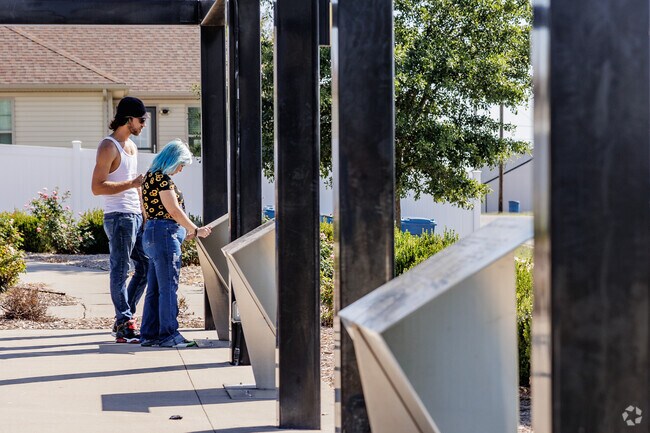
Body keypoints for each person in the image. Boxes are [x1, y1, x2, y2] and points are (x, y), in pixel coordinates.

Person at [140, 139, 212, 348]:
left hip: (153, 233)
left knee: (155, 288)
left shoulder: (148, 178)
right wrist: (194, 229)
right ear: (173, 160)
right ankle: (169, 335)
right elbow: (173, 210)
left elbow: (149, 212)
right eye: (181, 164)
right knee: (169, 287)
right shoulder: (163, 180)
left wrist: (181, 231)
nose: (181, 169)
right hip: (164, 234)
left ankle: (150, 334)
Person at [91, 96, 149, 343]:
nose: (144, 124)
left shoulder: (132, 148)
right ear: (129, 119)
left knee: (145, 267)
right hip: (118, 217)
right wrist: (131, 183)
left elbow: (136, 186)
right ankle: (125, 321)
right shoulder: (108, 146)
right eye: (142, 120)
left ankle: (124, 318)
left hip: (135, 216)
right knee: (120, 269)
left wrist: (145, 214)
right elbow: (97, 187)